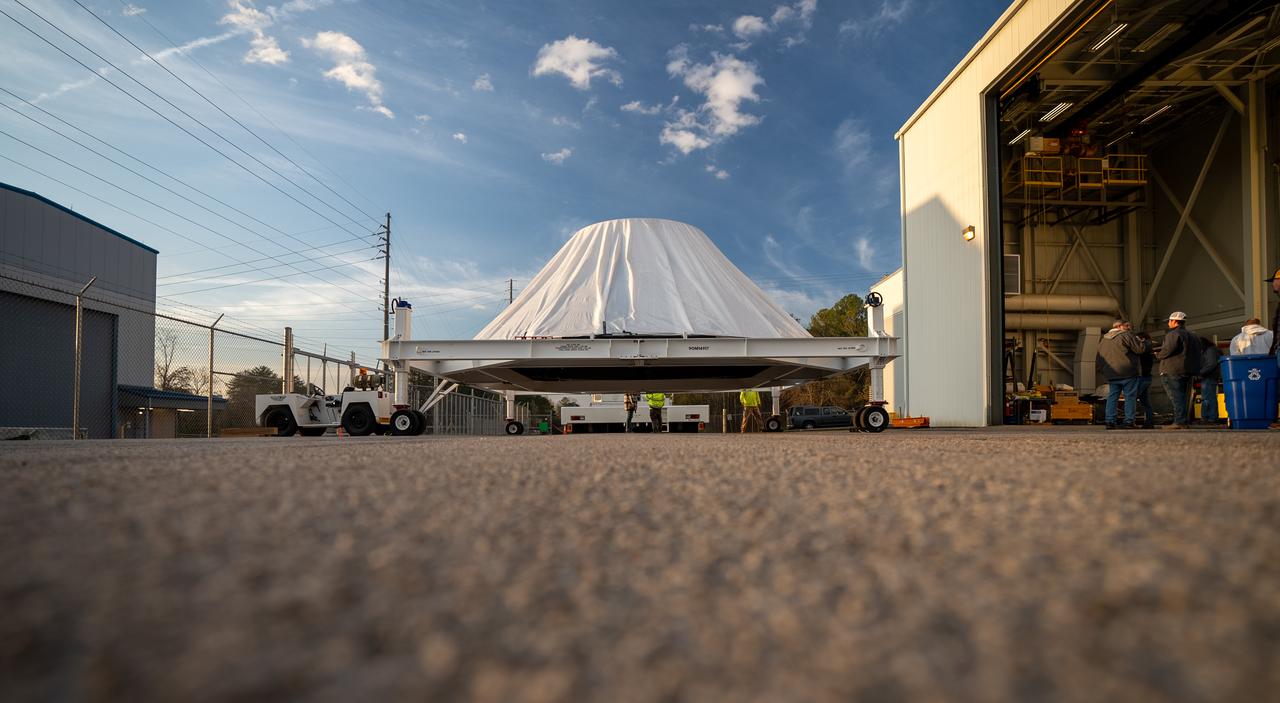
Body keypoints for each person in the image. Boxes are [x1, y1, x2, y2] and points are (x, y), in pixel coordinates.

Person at [1095, 319, 1148, 429]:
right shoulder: (1126, 335)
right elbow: (1139, 349)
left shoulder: (1103, 340)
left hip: (1112, 374)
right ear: (1119, 326)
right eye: (1127, 326)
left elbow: (1099, 359)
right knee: (1130, 397)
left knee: (1112, 397)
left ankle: (1110, 421)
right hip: (1128, 373)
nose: (1129, 328)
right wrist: (1146, 342)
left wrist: (1104, 371)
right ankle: (1129, 422)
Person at [1155, 311, 1201, 429]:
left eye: (1169, 321)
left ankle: (1179, 421)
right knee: (1184, 397)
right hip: (1189, 370)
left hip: (1173, 370)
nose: (1168, 324)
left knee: (1176, 397)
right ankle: (1184, 421)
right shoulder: (1193, 335)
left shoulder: (1173, 334)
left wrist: (1157, 355)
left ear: (1174, 321)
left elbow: (1167, 350)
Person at [1133, 329, 1156, 429]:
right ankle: (1150, 422)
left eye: (1137, 339)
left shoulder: (1144, 349)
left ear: (1142, 339)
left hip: (1142, 378)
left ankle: (1130, 420)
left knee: (1132, 399)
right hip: (1147, 378)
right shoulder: (1150, 349)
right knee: (1145, 402)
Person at [1197, 336, 1222, 425]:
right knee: (1208, 397)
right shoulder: (1211, 350)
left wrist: (1200, 372)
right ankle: (1209, 417)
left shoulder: (1210, 350)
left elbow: (1211, 363)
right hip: (1209, 376)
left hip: (1209, 376)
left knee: (1208, 398)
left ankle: (1209, 418)